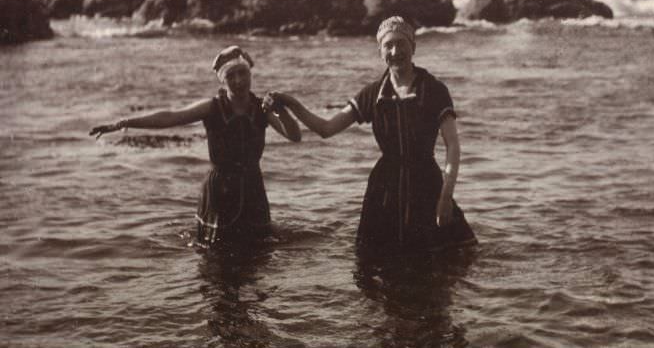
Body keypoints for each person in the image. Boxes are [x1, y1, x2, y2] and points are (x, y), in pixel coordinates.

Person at [269, 16, 477, 255]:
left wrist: (445, 197)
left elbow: (453, 145)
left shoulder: (433, 90)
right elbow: (326, 129)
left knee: (443, 262)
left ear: (414, 47)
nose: (396, 51)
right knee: (381, 262)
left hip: (426, 185)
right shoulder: (372, 93)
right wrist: (291, 103)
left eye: (402, 43)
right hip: (384, 189)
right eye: (388, 45)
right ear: (380, 51)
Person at [89, 45, 301, 247]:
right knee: (217, 256)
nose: (238, 80)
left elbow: (294, 136)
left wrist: (281, 111)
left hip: (253, 187)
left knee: (259, 254)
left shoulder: (261, 108)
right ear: (223, 81)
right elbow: (171, 117)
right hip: (220, 190)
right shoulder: (212, 108)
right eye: (230, 76)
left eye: (242, 73)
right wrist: (125, 123)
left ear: (250, 74)